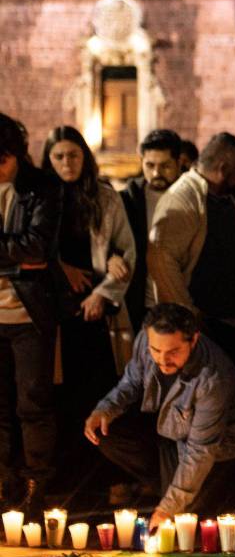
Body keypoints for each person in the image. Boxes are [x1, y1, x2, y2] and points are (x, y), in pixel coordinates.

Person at [85, 303, 235, 531]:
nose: (162, 360)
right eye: (156, 350)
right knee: (104, 430)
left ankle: (174, 490)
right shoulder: (146, 342)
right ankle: (166, 485)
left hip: (217, 447)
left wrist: (168, 507)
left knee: (184, 520)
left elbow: (200, 450)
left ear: (193, 340)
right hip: (170, 430)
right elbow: (131, 382)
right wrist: (105, 409)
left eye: (173, 352)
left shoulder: (213, 377)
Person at [41, 126, 136, 503]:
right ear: (48, 160)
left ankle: (104, 482)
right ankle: (65, 484)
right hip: (52, 312)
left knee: (97, 395)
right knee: (57, 400)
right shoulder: (40, 199)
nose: (67, 163)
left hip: (96, 315)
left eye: (74, 155)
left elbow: (126, 254)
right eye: (59, 156)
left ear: (85, 156)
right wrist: (60, 267)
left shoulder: (105, 198)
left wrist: (102, 293)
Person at [147, 132, 235, 397]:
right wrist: (187, 314)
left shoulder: (220, 196)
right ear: (222, 168)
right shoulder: (184, 197)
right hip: (209, 324)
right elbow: (161, 259)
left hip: (230, 322)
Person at [0, 114, 60, 512]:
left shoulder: (40, 188)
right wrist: (16, 256)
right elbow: (24, 253)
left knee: (32, 404)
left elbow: (38, 249)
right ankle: (3, 481)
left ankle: (36, 484)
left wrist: (25, 257)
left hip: (28, 314)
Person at [121, 129, 182, 331]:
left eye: (165, 166)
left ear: (178, 163)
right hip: (142, 301)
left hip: (182, 299)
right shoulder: (128, 199)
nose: (156, 173)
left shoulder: (191, 198)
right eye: (150, 165)